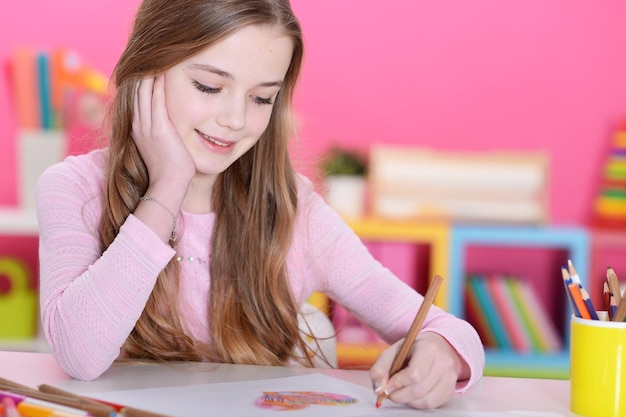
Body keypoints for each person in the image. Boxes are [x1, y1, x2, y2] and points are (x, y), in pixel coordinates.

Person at [36, 0, 485, 409]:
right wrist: (168, 185)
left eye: (261, 98)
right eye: (209, 86)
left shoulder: (295, 212)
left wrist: (443, 352)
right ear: (145, 75)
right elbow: (79, 354)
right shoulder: (74, 189)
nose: (235, 120)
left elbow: (447, 329)